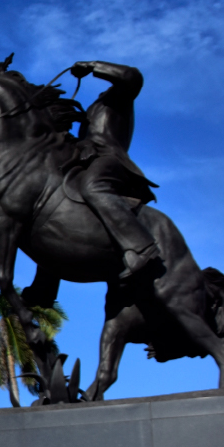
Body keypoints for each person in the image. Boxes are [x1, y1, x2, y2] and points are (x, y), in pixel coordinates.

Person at [69, 60, 162, 282]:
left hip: (112, 160)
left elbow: (131, 75)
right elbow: (86, 140)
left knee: (93, 187)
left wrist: (92, 66)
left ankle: (141, 247)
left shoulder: (122, 96)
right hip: (91, 159)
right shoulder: (95, 106)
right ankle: (45, 285)